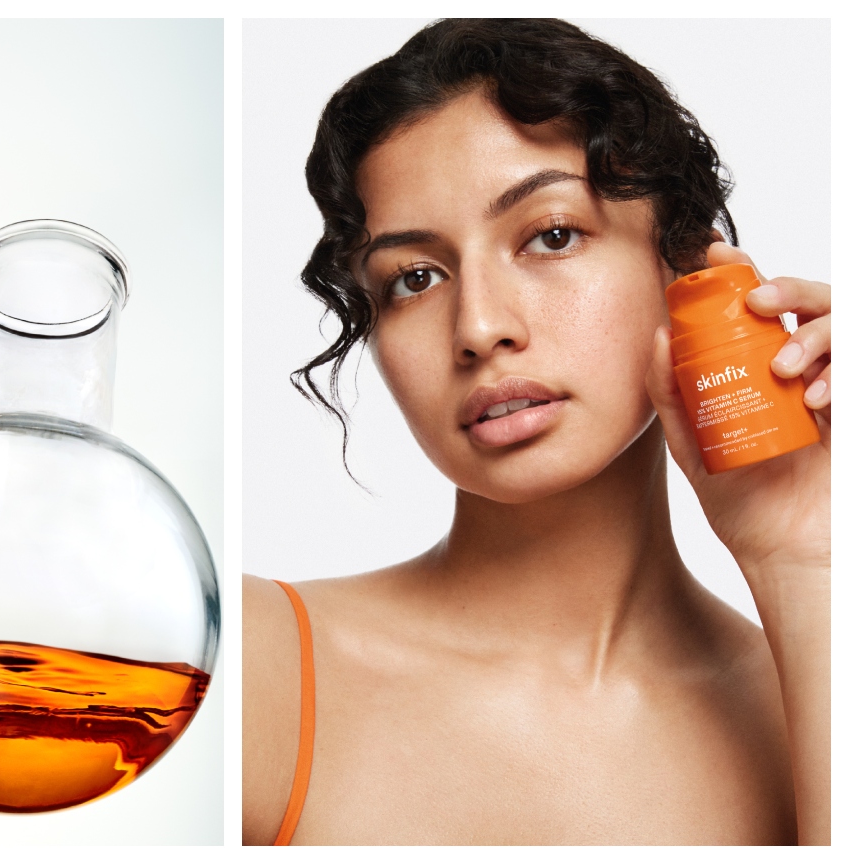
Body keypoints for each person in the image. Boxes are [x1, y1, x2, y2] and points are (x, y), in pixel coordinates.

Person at [242, 19, 829, 845]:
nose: (479, 326)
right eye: (415, 278)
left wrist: (807, 554)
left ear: (690, 271)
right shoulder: (258, 670)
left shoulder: (810, 707)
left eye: (551, 236)